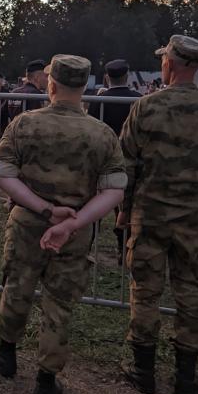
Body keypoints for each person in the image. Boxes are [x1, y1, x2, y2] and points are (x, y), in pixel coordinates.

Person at [0, 54, 127, 394]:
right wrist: (71, 223)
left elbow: (2, 174)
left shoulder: (24, 124)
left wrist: (45, 210)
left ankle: (6, 355)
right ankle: (46, 384)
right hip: (74, 232)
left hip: (27, 224)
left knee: (18, 287)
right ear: (84, 88)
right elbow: (114, 192)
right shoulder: (102, 134)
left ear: (51, 84)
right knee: (59, 304)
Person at [118, 35, 198, 394]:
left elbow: (127, 162)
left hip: (150, 214)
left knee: (145, 289)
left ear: (170, 63)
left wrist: (125, 208)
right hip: (195, 217)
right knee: (190, 291)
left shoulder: (147, 107)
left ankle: (143, 370)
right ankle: (185, 376)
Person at [87, 59, 142, 264]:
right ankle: (124, 251)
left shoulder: (99, 99)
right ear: (127, 76)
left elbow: (91, 127)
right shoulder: (139, 99)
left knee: (95, 205)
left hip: (102, 157)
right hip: (130, 159)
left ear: (108, 77)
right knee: (125, 208)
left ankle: (87, 246)